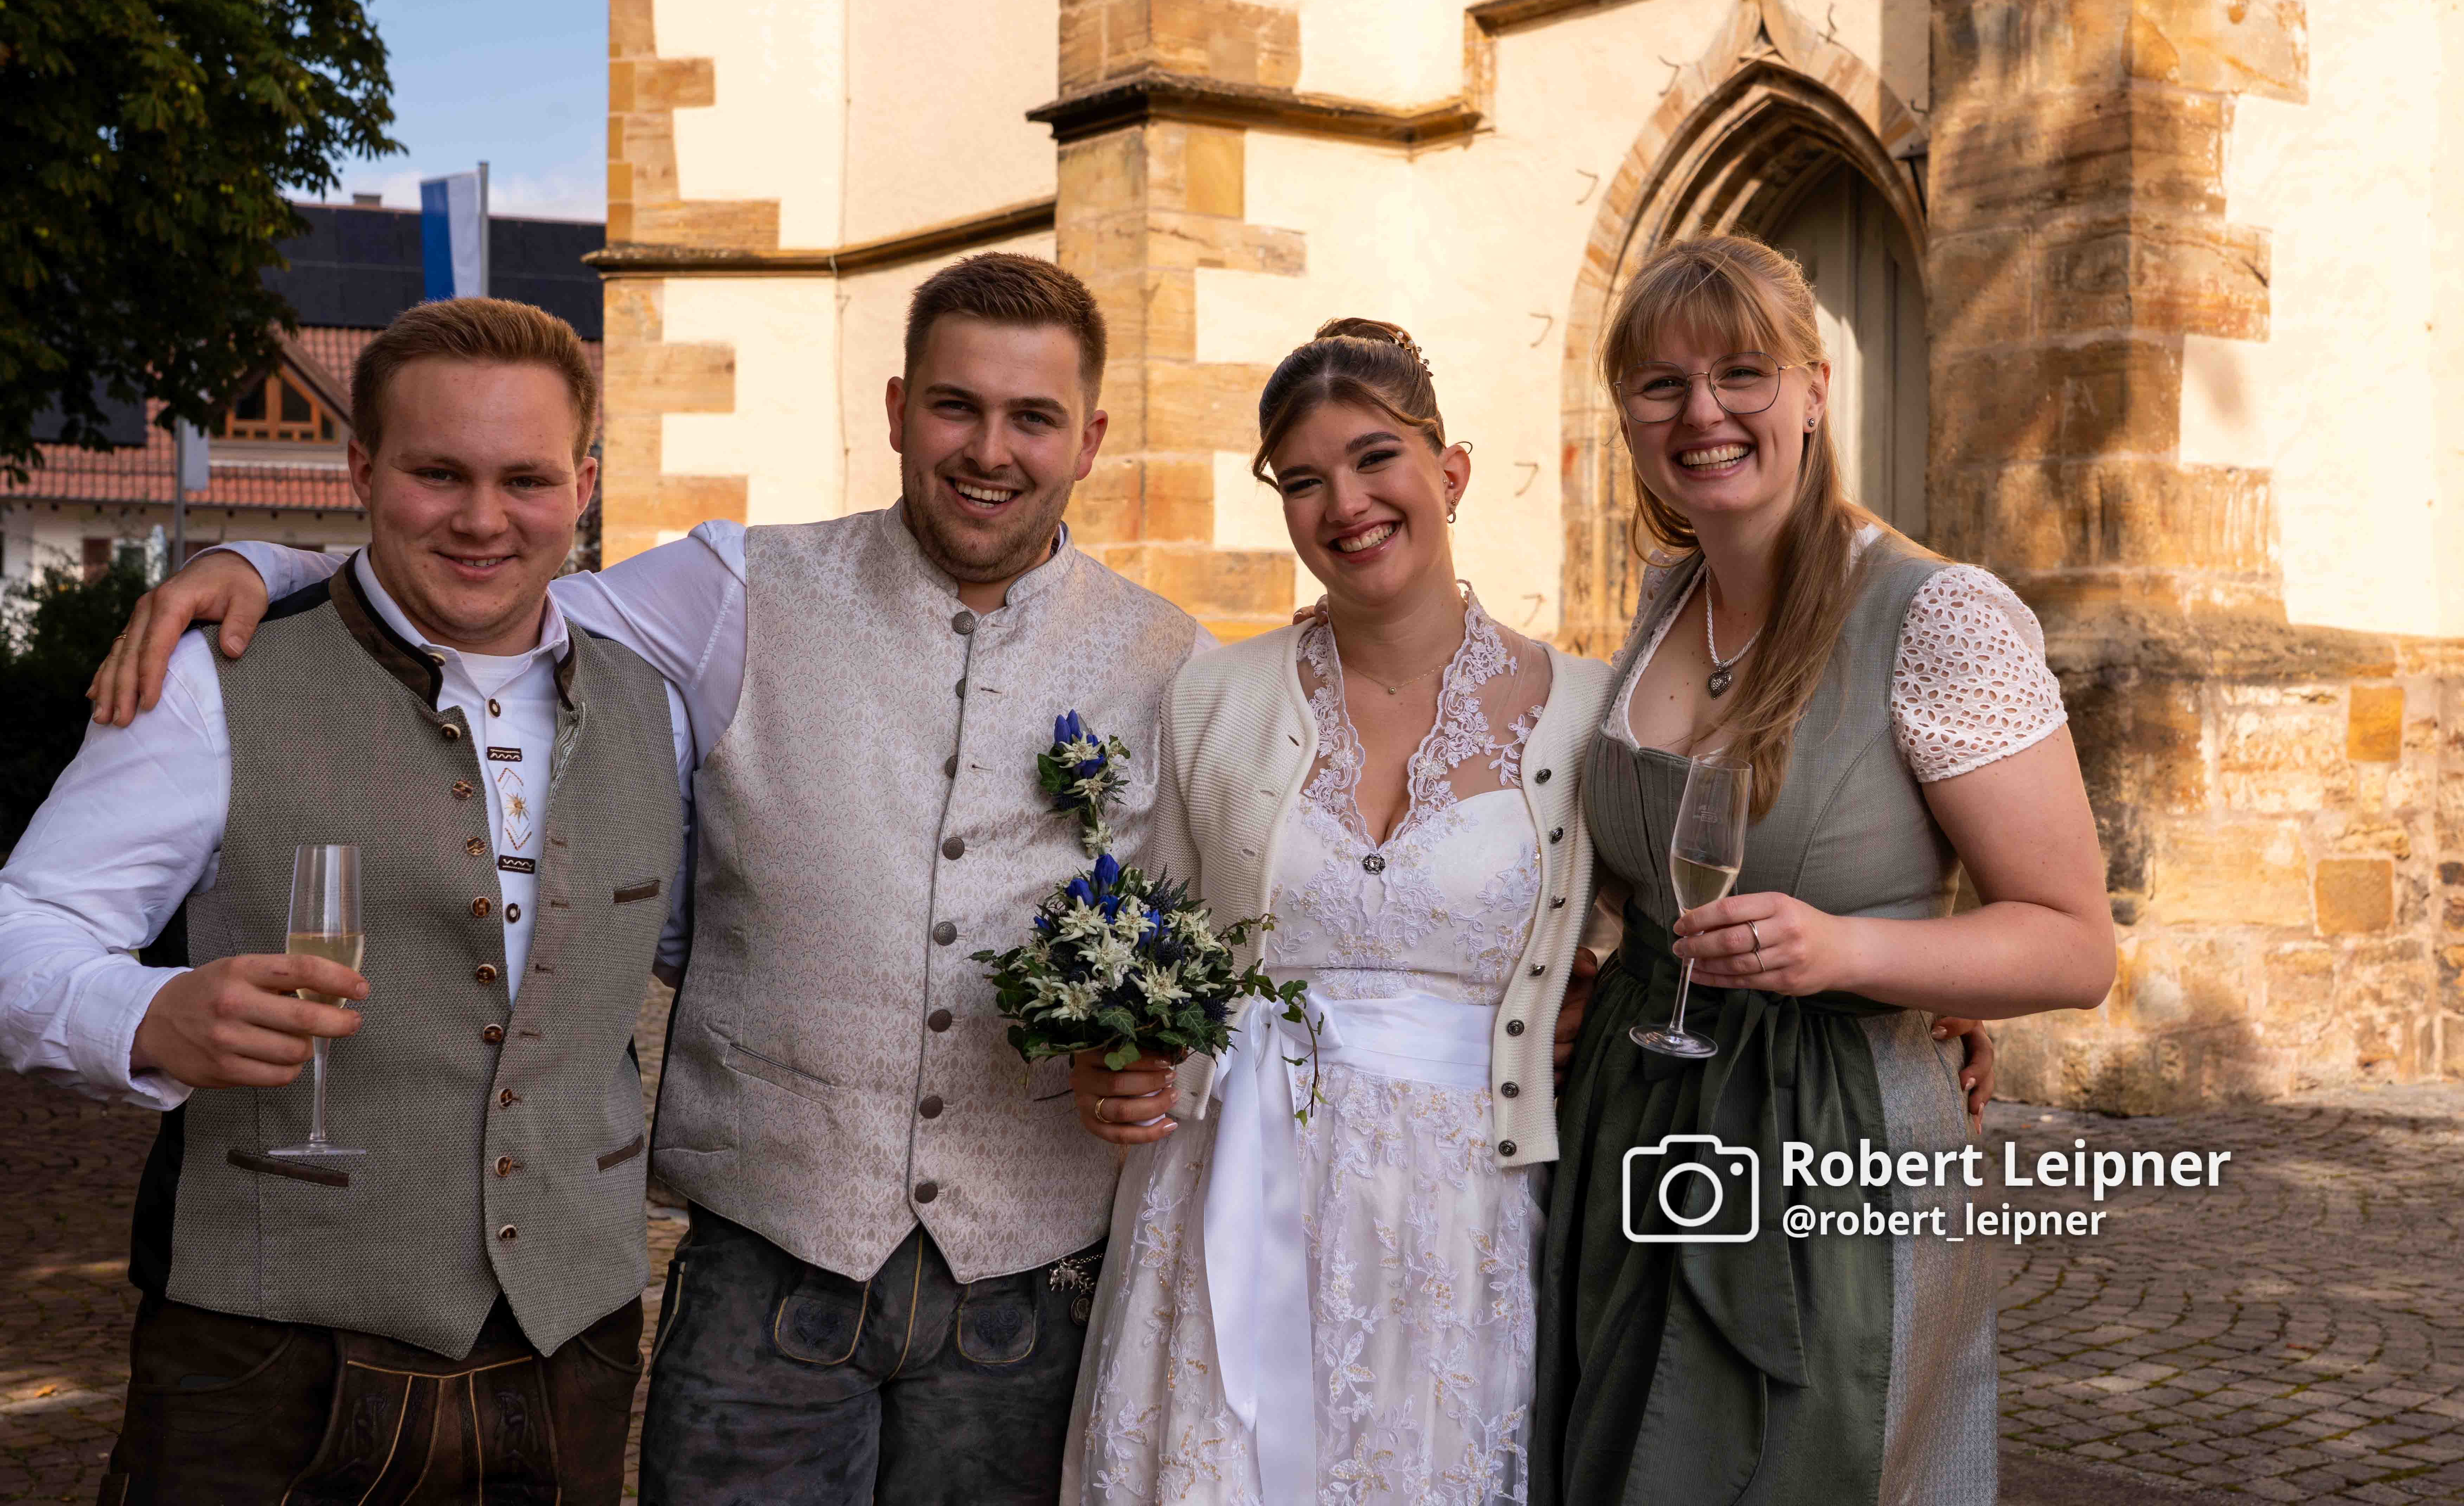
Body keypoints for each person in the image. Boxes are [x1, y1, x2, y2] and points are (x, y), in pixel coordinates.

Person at [86, 254, 1207, 1505]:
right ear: (898, 412)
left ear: (1092, 438)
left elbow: (1219, 946)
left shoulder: (1177, 666)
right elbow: (489, 589)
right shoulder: (731, 589)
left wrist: (1163, 1059)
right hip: (763, 1266)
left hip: (1033, 1277)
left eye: (1033, 417)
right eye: (955, 406)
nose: (988, 448)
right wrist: (261, 562)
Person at [1057, 320, 1993, 1506]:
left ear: (1448, 472)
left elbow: (1663, 920)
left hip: (1470, 1211)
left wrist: (1923, 1001)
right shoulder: (1211, 699)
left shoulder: (1588, 713)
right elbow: (1150, 953)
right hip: (1232, 1193)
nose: (1345, 501)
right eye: (1303, 479)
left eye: (1375, 457)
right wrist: (1110, 1058)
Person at [0, 298, 694, 1503]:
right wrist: (144, 1014)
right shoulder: (219, 679)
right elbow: (25, 928)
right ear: (363, 470)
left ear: (582, 485)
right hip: (266, 1366)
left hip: (569, 1352)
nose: (484, 519)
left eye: (525, 479)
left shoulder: (659, 707)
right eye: (438, 474)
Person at [1529, 237, 2117, 1506]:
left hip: (1828, 1135)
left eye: (1743, 372)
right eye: (1660, 386)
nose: (1703, 413)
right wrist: (1586, 971)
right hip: (1633, 1119)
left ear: (1812, 390)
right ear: (1626, 416)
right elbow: (1636, 874)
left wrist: (1855, 953)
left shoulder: (1938, 615)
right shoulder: (1664, 601)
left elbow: (2075, 944)